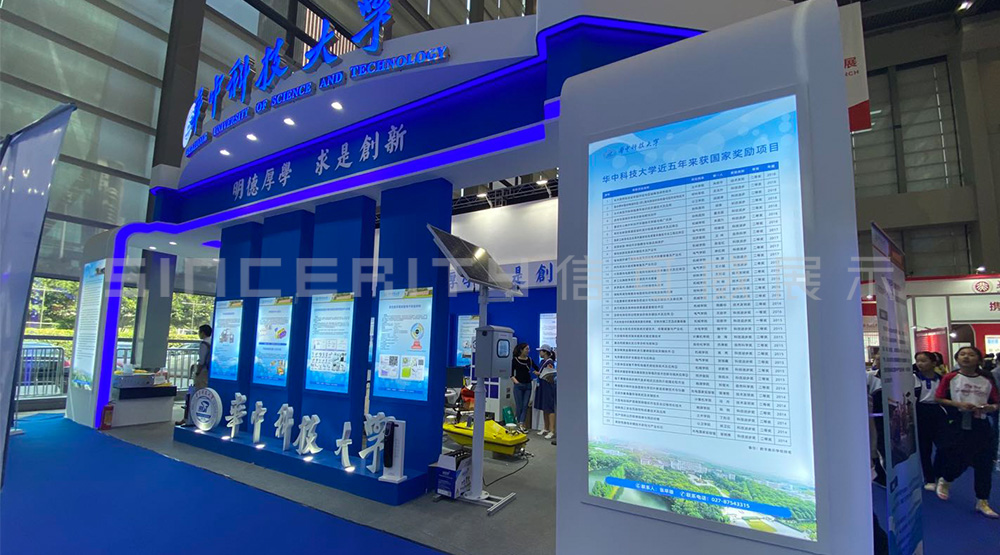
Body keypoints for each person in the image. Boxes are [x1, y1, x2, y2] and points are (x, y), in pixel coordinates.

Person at [934, 346, 1000, 518]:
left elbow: (996, 402)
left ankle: (982, 500)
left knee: (985, 462)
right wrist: (958, 404)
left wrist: (990, 407)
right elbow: (938, 397)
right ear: (957, 358)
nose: (966, 357)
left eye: (971, 355)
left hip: (981, 423)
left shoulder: (987, 378)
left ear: (978, 359)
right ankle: (946, 479)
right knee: (960, 458)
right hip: (959, 423)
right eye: (962, 354)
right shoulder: (951, 377)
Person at [913, 351, 946, 490]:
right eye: (918, 361)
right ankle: (929, 478)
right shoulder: (913, 378)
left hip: (938, 412)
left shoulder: (942, 379)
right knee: (924, 448)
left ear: (933, 363)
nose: (920, 364)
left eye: (923, 361)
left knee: (943, 446)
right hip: (920, 412)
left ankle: (938, 471)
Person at [177, 324, 213, 426]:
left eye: (199, 332)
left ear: (203, 333)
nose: (198, 334)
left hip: (203, 372)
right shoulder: (212, 342)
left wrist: (197, 372)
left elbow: (201, 361)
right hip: (209, 372)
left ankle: (190, 418)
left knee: (196, 393)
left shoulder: (204, 344)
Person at [510, 342, 537, 432]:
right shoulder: (515, 360)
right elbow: (511, 374)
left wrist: (537, 373)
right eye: (526, 349)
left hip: (528, 385)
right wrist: (516, 383)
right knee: (519, 405)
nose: (528, 351)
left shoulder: (530, 360)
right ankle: (519, 422)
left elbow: (537, 368)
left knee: (525, 405)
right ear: (521, 350)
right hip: (518, 386)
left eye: (528, 349)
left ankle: (521, 423)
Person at [534, 344, 557, 440]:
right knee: (544, 408)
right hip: (542, 386)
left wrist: (539, 374)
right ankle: (545, 428)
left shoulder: (550, 362)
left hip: (548, 387)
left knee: (549, 408)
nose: (539, 353)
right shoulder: (542, 362)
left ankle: (552, 430)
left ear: (545, 352)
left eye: (541, 351)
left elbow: (551, 375)